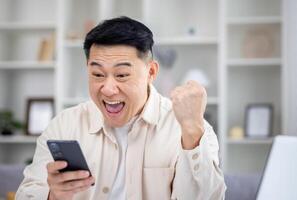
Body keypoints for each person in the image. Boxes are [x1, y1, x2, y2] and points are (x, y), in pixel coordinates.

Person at [16, 16, 226, 200]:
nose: (107, 89)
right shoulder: (65, 124)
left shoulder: (190, 128)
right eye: (97, 75)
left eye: (122, 75)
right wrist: (53, 196)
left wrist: (191, 133)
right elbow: (27, 193)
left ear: (151, 72)